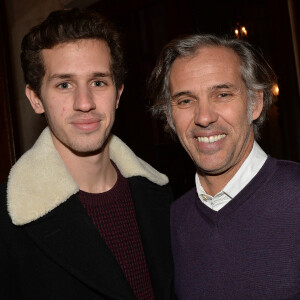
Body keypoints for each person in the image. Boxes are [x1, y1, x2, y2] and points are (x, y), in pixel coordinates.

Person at [0, 8, 174, 299]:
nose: (84, 103)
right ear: (36, 99)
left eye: (98, 82)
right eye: (64, 84)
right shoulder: (7, 224)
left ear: (118, 94)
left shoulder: (161, 196)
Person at [149, 34, 300, 299]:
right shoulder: (171, 222)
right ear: (170, 118)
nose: (204, 117)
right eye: (185, 100)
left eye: (222, 94)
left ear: (255, 103)